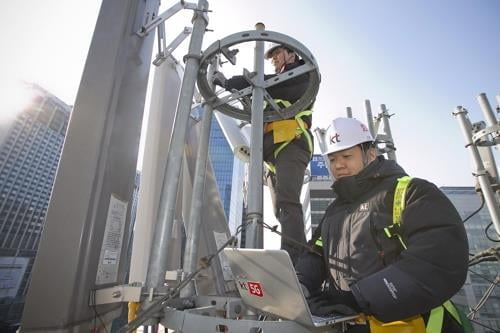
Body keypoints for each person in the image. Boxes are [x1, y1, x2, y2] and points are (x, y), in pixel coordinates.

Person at [295, 117, 471, 332]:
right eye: (332, 159)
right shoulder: (334, 211)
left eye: (347, 156)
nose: (338, 165)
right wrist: (299, 286)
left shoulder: (411, 191)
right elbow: (316, 253)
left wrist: (360, 298)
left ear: (370, 154)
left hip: (417, 325)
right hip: (349, 325)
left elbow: (440, 257)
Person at [213, 43, 314, 265]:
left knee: (288, 202)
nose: (275, 59)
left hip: (291, 142)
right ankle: (291, 257)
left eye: (278, 54)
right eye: (272, 57)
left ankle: (297, 261)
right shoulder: (271, 85)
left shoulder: (301, 75)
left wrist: (245, 82)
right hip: (271, 150)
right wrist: (229, 84)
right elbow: (258, 94)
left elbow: (281, 88)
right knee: (281, 209)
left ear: (291, 53)